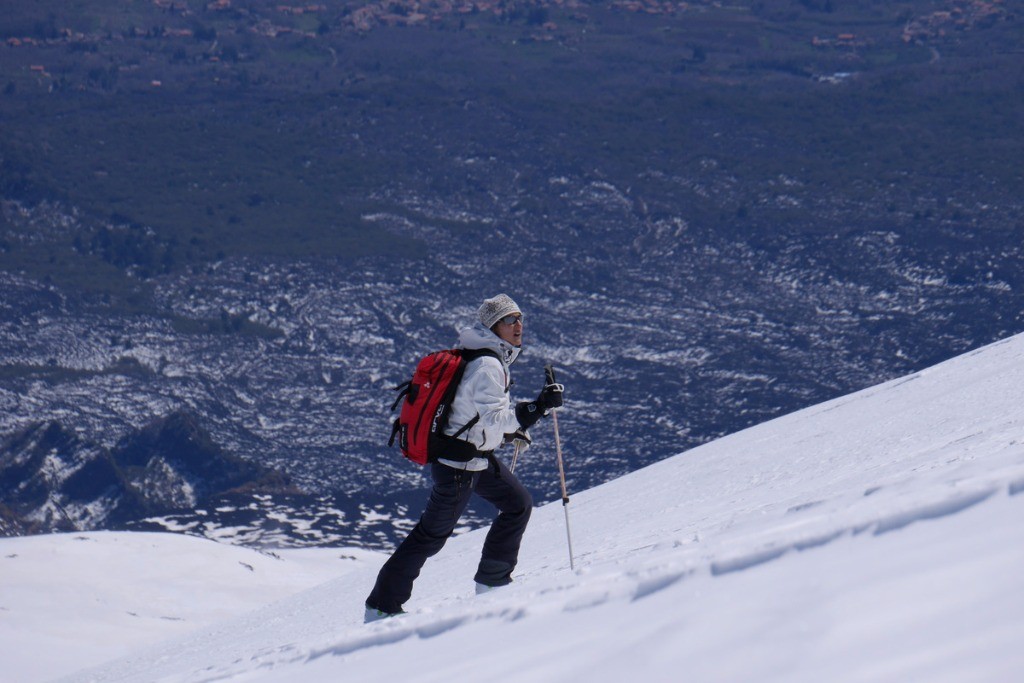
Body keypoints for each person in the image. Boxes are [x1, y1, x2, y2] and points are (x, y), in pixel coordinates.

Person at [365, 293, 564, 621]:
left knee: (517, 504)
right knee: (430, 536)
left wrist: (516, 427)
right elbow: (495, 420)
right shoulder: (488, 364)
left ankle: (493, 583)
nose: (518, 325)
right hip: (459, 466)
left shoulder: (484, 355)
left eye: (519, 318)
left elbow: (475, 415)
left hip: (476, 458)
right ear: (493, 326)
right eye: (509, 320)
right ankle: (381, 606)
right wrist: (537, 408)